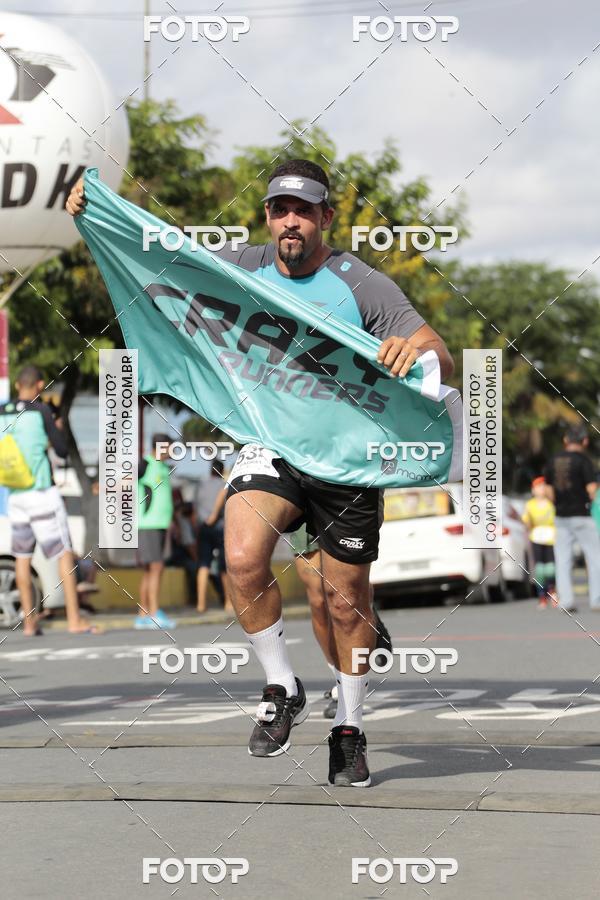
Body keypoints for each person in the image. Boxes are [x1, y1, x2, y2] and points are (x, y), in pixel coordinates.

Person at [65, 158, 454, 787]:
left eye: (305, 210)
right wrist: (97, 209)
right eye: (280, 209)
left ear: (327, 217)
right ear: (267, 216)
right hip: (268, 443)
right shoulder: (239, 268)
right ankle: (281, 684)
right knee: (242, 558)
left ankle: (349, 729)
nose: (291, 221)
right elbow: (158, 253)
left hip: (347, 457)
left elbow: (438, 351)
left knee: (343, 601)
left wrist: (418, 349)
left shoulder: (362, 285)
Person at [0, 365, 97, 635]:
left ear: (18, 385)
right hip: (42, 492)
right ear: (39, 385)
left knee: (22, 557)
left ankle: (30, 623)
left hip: (15, 495)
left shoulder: (2, 412)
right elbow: (63, 450)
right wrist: (55, 428)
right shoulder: (41, 411)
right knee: (63, 554)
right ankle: (75, 620)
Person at [291, 517, 392, 719]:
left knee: (349, 588)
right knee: (319, 598)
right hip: (303, 495)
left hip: (345, 491)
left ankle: (364, 613)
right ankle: (341, 683)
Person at [543, 425, 600, 612]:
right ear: (584, 441)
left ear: (565, 440)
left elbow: (548, 491)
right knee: (594, 558)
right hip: (582, 515)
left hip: (561, 516)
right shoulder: (584, 461)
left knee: (563, 559)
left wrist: (559, 504)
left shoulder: (552, 461)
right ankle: (596, 600)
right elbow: (592, 489)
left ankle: (566, 601)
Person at [135, 433, 176, 629]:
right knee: (156, 567)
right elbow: (125, 481)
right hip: (147, 524)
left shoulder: (164, 467)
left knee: (149, 571)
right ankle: (154, 613)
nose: (172, 452)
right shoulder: (145, 464)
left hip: (160, 524)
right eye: (169, 448)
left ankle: (143, 614)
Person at [195, 460, 233, 613]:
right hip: (220, 528)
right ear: (222, 471)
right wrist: (215, 515)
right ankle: (228, 603)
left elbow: (194, 508)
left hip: (203, 528)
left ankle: (201, 604)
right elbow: (226, 500)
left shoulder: (201, 485)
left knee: (203, 565)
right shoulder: (224, 486)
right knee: (225, 568)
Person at [521, 477, 556, 609]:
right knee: (540, 570)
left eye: (543, 486)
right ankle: (542, 596)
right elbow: (527, 522)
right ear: (533, 490)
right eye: (538, 486)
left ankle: (553, 592)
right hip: (536, 538)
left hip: (551, 538)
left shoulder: (550, 503)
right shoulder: (530, 505)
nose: (541, 489)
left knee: (551, 569)